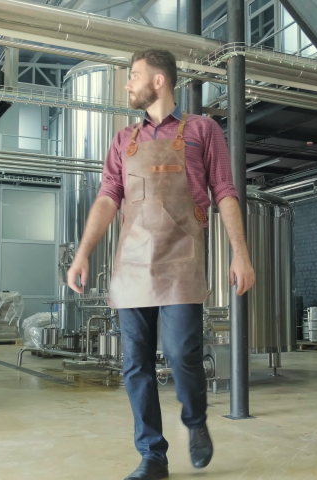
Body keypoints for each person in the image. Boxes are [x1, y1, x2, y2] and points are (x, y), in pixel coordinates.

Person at [67, 49, 255, 480]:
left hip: (181, 261)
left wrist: (240, 254)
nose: (127, 84)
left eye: (133, 76)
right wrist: (83, 253)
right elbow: (107, 197)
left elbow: (225, 191)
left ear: (159, 82)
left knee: (182, 353)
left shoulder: (203, 131)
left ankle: (195, 420)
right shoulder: (123, 140)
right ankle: (153, 455)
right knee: (135, 364)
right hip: (132, 265)